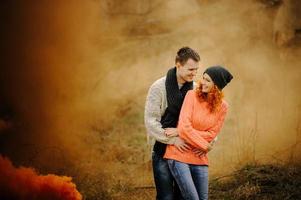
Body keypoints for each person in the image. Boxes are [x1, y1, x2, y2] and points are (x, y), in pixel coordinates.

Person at [164, 66, 233, 200]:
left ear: (217, 86)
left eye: (207, 80)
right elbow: (184, 127)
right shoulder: (192, 95)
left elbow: (212, 134)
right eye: (203, 78)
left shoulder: (223, 107)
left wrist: (184, 133)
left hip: (200, 157)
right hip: (179, 154)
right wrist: (204, 144)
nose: (202, 82)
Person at [144, 47, 200, 200]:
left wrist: (184, 135)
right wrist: (173, 139)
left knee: (183, 195)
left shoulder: (196, 90)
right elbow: (150, 121)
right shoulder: (158, 87)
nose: (194, 73)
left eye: (196, 70)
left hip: (187, 150)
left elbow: (200, 121)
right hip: (162, 150)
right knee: (166, 196)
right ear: (178, 64)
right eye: (190, 69)